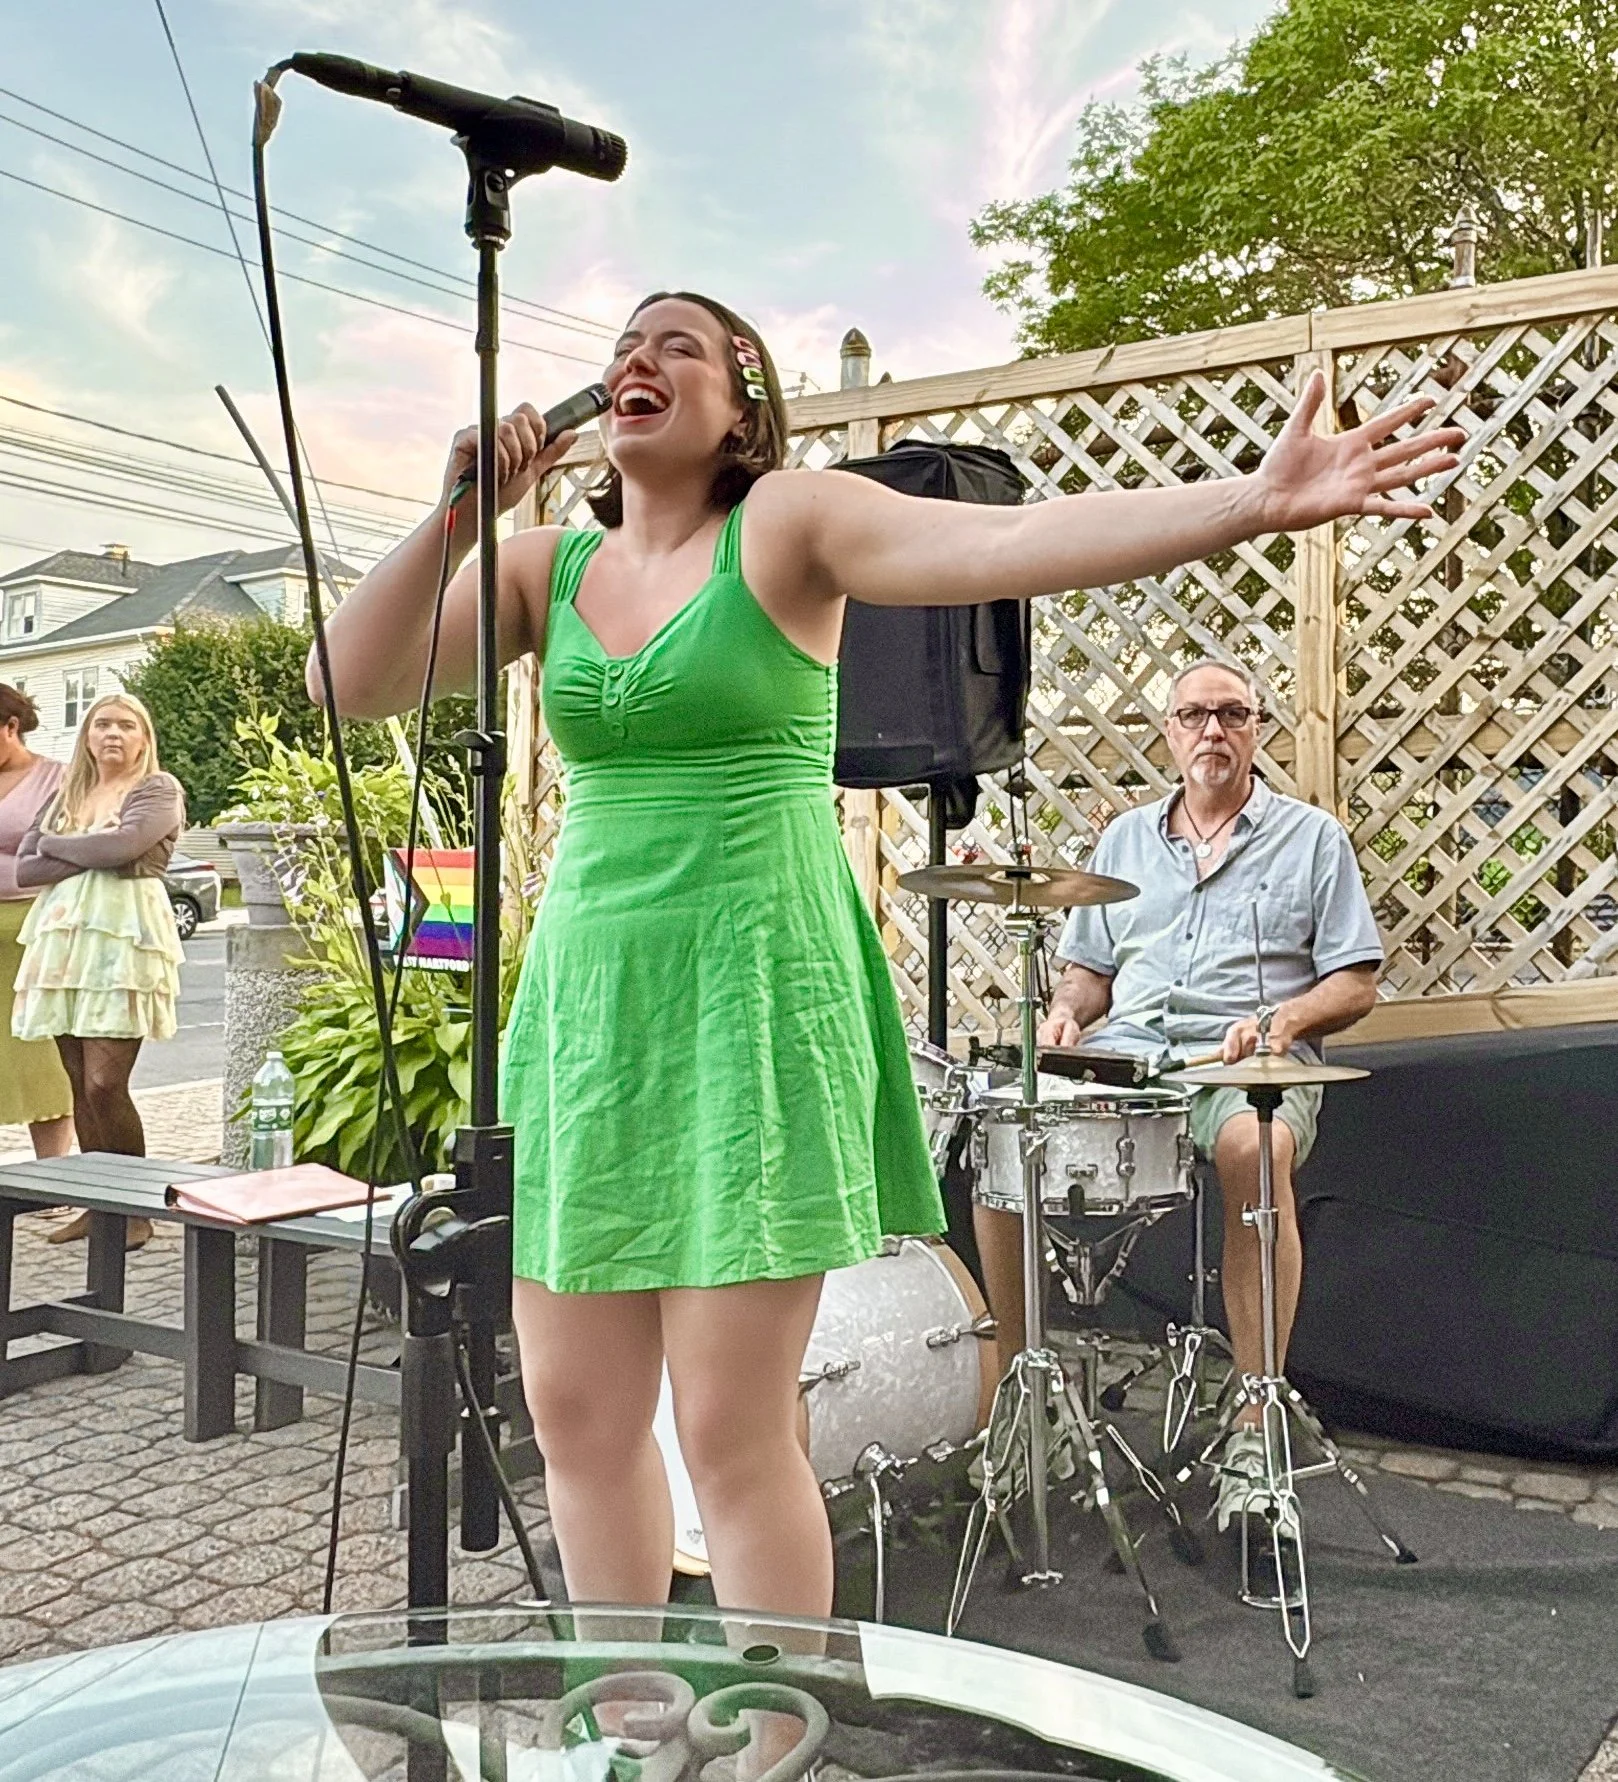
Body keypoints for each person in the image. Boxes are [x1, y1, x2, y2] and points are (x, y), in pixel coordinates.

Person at [312, 289, 1460, 1621]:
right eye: (626, 343)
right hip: (590, 1013)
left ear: (743, 407)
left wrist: (1250, 502)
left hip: (751, 994)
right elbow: (348, 683)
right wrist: (457, 514)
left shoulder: (784, 523)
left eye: (680, 344)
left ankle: (772, 1718)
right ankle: (619, 1703)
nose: (638, 358)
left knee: (730, 1428)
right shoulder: (540, 569)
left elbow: (1011, 539)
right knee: (575, 1414)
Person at [1019, 656, 1382, 1531]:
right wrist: (1065, 1014)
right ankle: (1020, 1403)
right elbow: (1087, 975)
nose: (1212, 730)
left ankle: (1256, 1419)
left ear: (1257, 729)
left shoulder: (1312, 839)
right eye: (1194, 715)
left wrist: (1286, 1018)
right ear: (1169, 733)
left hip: (1243, 1064)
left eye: (1231, 714)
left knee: (1255, 1150)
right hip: (1132, 1060)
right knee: (1008, 1129)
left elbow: (1357, 982)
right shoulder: (1124, 842)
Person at [14, 693, 186, 1252]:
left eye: (126, 725)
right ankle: (99, 1206)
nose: (113, 733)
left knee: (105, 1083)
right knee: (77, 1081)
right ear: (87, 736)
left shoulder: (157, 789)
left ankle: (137, 1209)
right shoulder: (68, 792)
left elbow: (125, 846)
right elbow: (26, 867)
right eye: (102, 724)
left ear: (144, 737)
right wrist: (93, 849)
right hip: (64, 937)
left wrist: (59, 845)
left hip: (124, 936)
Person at [0, 684, 74, 1167]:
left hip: (35, 925)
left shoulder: (56, 778)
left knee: (40, 1050)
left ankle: (53, 1173)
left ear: (11, 726)